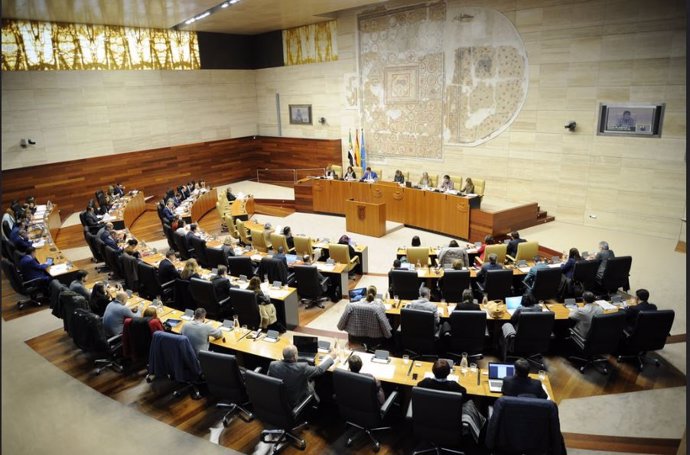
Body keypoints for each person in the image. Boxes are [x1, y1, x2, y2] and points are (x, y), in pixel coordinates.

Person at [267, 344, 334, 407]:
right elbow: (319, 370)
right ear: (294, 357)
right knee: (312, 382)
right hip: (295, 401)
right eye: (297, 354)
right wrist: (331, 357)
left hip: (279, 399)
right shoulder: (302, 368)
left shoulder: (273, 365)